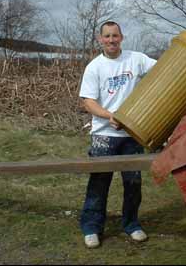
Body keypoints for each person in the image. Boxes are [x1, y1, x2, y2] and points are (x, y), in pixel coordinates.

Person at [78, 20, 157, 248]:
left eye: (115, 36)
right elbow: (88, 102)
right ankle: (92, 227)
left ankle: (132, 224)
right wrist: (109, 116)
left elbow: (162, 70)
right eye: (107, 36)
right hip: (104, 135)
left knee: (133, 183)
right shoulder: (95, 67)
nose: (111, 40)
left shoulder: (136, 59)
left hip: (132, 135)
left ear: (121, 37)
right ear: (100, 39)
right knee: (99, 182)